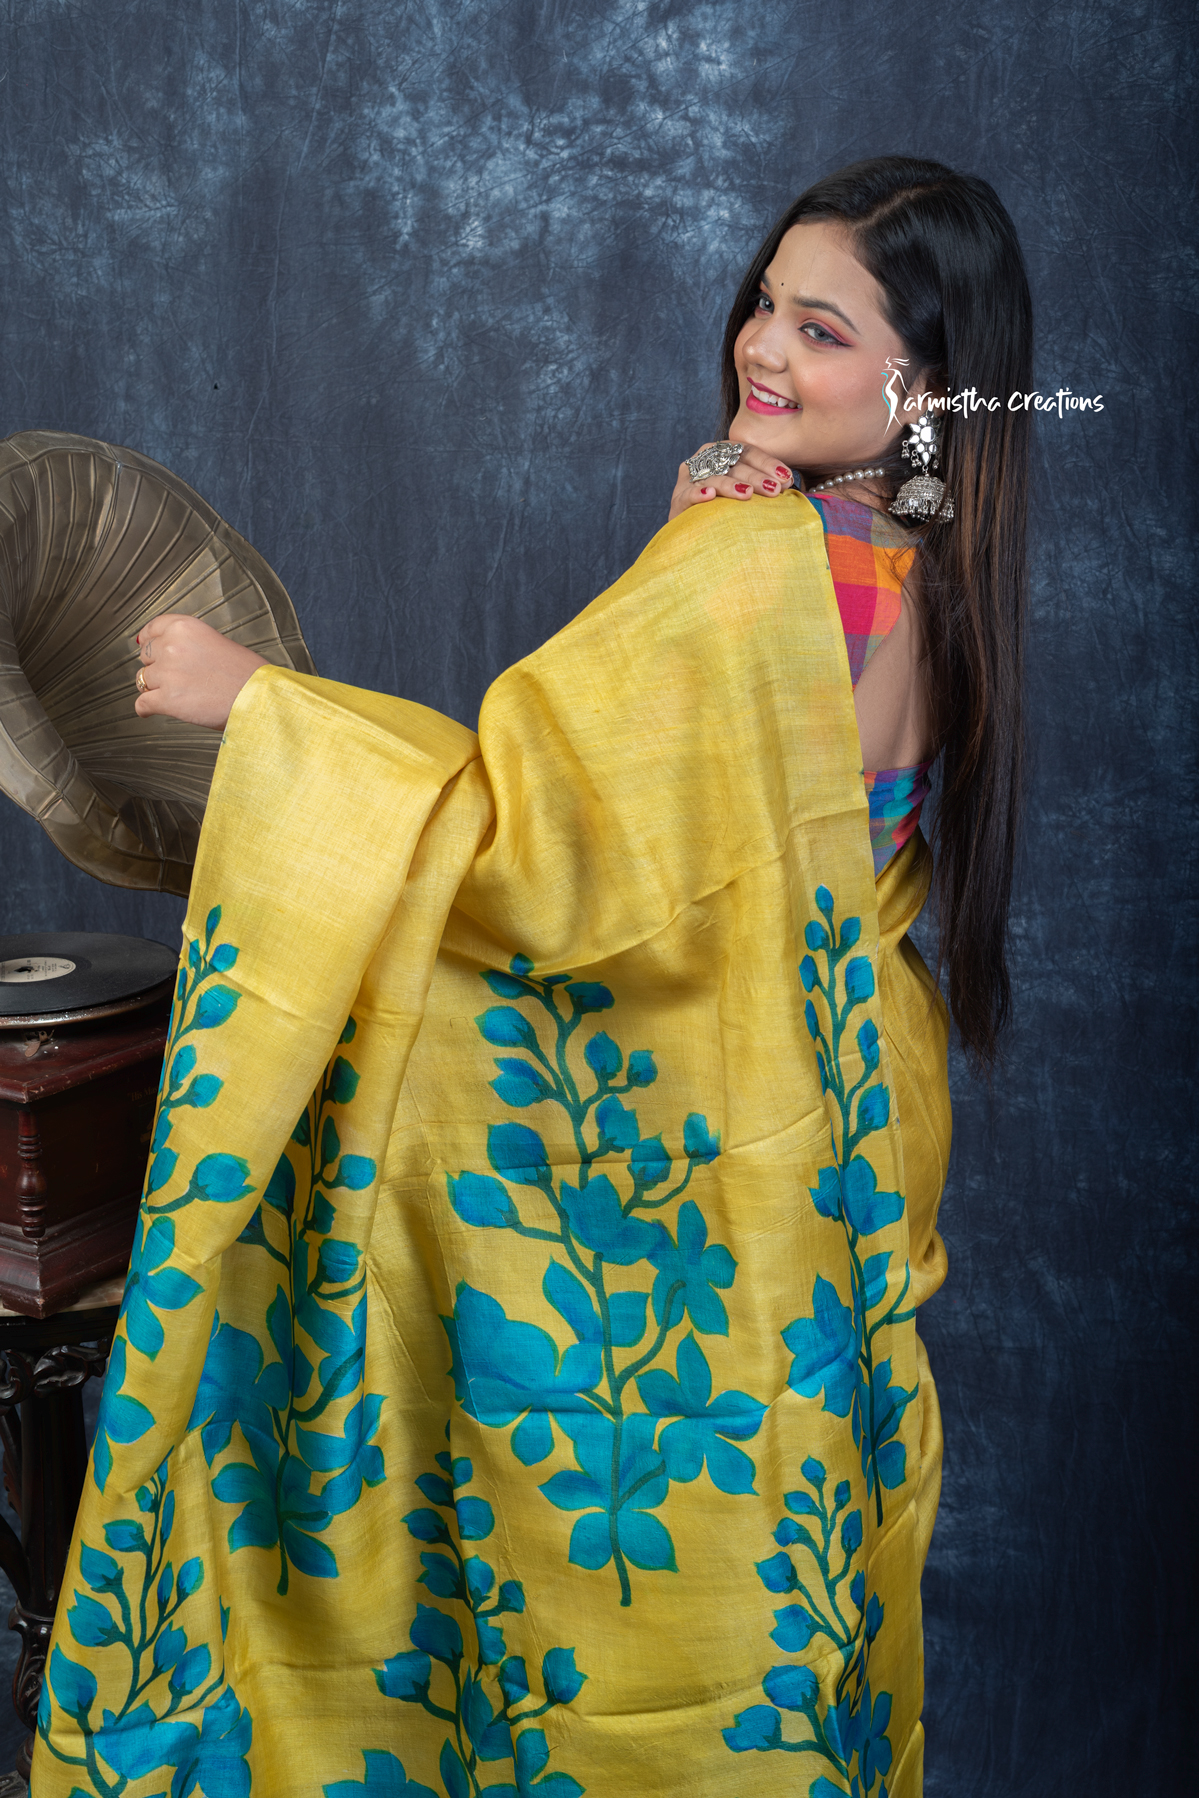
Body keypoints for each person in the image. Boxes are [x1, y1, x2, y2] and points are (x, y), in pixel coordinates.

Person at [38, 157, 1031, 1798]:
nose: (761, 347)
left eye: (823, 329)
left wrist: (262, 704)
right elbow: (708, 864)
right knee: (772, 1599)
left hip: (697, 1135)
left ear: (920, 390)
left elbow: (531, 843)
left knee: (565, 1588)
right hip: (834, 1142)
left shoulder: (756, 570)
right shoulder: (932, 580)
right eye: (765, 304)